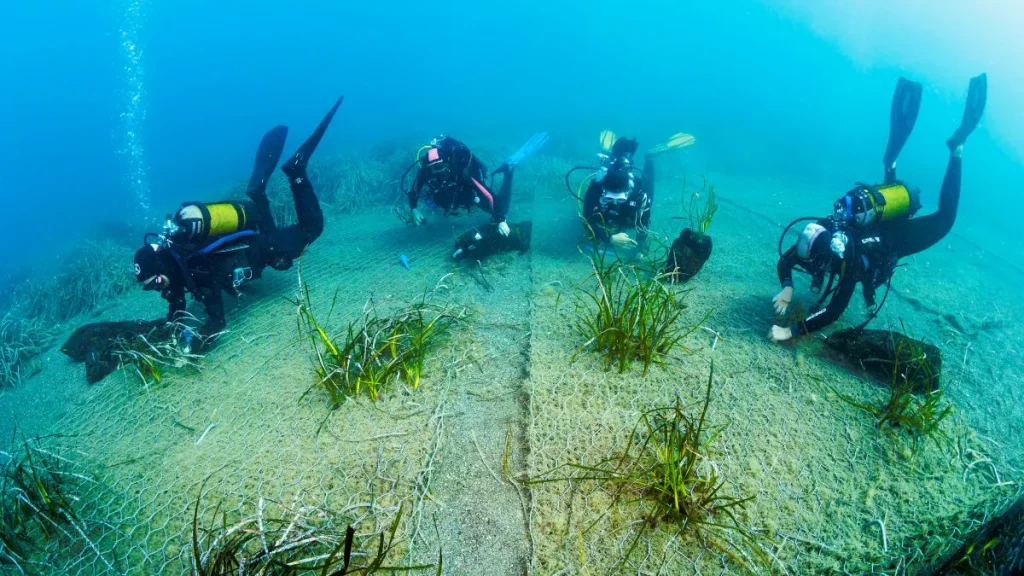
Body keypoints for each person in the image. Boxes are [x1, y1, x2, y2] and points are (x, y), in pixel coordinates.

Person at [769, 74, 987, 343]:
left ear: (826, 253)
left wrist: (790, 331)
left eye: (813, 260)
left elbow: (833, 311)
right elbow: (786, 260)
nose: (808, 263)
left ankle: (957, 148)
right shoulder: (821, 232)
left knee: (945, 220)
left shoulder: (845, 257)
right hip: (875, 223)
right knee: (887, 207)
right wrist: (787, 288)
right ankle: (891, 163)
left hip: (896, 238)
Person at [131, 96, 343, 351]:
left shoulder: (192, 268)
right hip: (253, 231)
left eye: (155, 282)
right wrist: (170, 326)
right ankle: (256, 192)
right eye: (150, 287)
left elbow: (216, 321)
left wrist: (192, 346)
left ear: (161, 263)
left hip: (263, 247)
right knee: (263, 216)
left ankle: (297, 173)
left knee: (312, 229)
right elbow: (176, 303)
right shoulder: (175, 257)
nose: (157, 288)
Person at [404, 132, 548, 239]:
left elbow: (487, 194)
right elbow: (414, 190)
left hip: (469, 194)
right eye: (435, 169)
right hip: (449, 196)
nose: (440, 172)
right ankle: (446, 206)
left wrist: (500, 219)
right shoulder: (425, 172)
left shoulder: (461, 171)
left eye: (443, 167)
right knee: (433, 201)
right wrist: (414, 209)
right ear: (428, 168)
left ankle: (508, 169)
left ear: (449, 164)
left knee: (501, 208)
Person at [579, 131, 694, 252]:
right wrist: (610, 238)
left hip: (633, 197)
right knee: (614, 165)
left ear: (627, 193)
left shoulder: (638, 194)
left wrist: (641, 246)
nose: (615, 203)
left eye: (620, 199)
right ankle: (613, 156)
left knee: (649, 191)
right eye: (608, 199)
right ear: (603, 193)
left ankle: (649, 156)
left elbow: (643, 222)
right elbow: (587, 220)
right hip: (610, 196)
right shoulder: (595, 189)